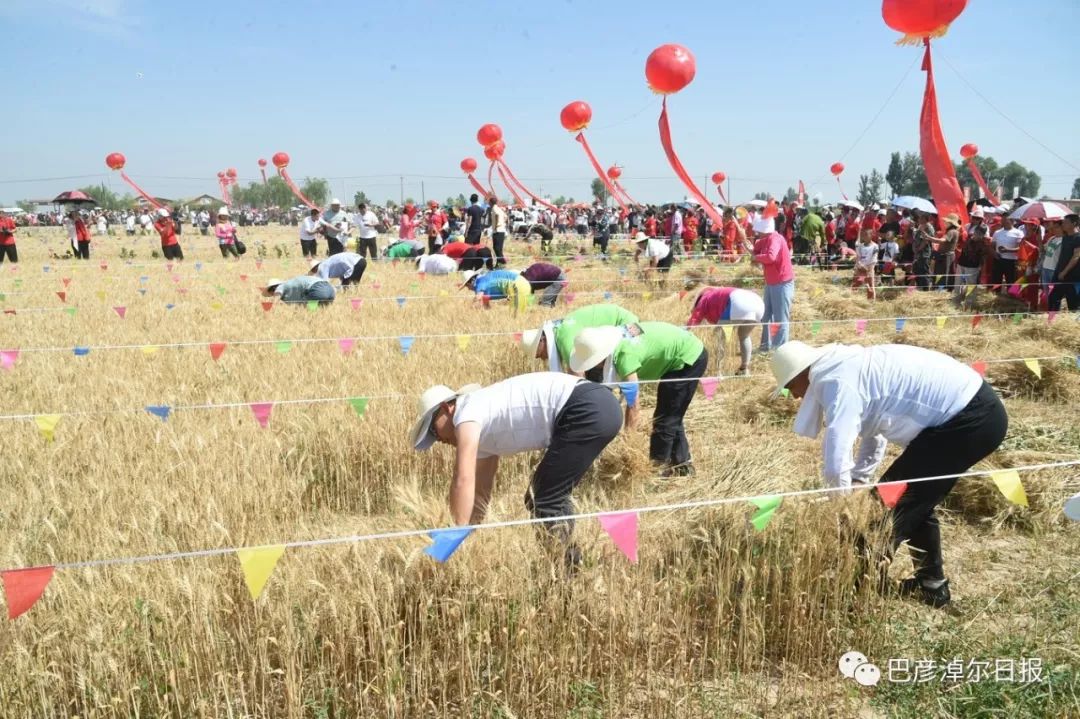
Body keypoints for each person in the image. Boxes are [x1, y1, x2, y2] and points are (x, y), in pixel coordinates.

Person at [770, 341, 1008, 607]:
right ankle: (932, 585)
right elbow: (875, 429)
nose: (794, 397)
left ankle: (852, 591)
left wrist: (844, 506)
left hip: (970, 417)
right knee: (914, 499)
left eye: (790, 387)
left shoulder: (835, 380)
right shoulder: (842, 366)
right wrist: (860, 479)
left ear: (800, 374)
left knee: (888, 504)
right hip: (972, 413)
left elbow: (836, 458)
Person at [409, 372, 623, 563]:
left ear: (447, 407)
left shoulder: (466, 413)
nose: (438, 439)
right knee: (544, 495)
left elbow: (462, 477)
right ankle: (565, 562)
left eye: (434, 430)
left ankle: (563, 566)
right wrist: (466, 540)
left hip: (587, 407)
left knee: (545, 497)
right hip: (592, 406)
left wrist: (453, 536)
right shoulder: (481, 431)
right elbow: (481, 493)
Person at [571, 322, 707, 476]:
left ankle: (658, 471)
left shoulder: (625, 357)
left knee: (665, 419)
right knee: (672, 412)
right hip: (678, 349)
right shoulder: (612, 337)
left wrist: (628, 445)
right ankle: (683, 464)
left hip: (689, 357)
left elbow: (633, 405)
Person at [520, 303, 641, 373]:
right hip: (622, 321)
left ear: (542, 341)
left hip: (626, 325)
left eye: (539, 354)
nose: (542, 359)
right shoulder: (558, 329)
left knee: (613, 369)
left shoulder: (565, 339)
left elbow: (578, 373)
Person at [741, 217, 794, 352]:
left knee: (780, 318)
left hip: (781, 283)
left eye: (759, 230)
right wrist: (748, 246)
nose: (757, 233)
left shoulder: (775, 239)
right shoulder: (765, 240)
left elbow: (771, 257)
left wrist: (755, 257)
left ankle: (779, 350)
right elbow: (755, 249)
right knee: (766, 316)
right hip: (771, 283)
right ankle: (766, 346)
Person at [687, 286, 765, 375]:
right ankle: (744, 369)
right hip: (758, 303)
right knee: (744, 336)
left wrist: (685, 331)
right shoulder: (717, 294)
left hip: (738, 303)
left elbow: (693, 323)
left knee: (719, 337)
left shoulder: (703, 300)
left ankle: (718, 371)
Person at [1048, 213, 1080, 311]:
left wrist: (1064, 272)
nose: (1063, 224)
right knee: (1053, 298)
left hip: (1072, 276)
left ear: (1074, 224)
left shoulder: (1078, 238)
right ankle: (1052, 321)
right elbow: (1052, 228)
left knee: (1073, 303)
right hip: (1059, 273)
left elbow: (1076, 256)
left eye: (1066, 222)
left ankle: (1074, 324)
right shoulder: (1066, 236)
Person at [954, 225, 989, 308]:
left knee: (971, 285)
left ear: (983, 234)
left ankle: (969, 304)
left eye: (981, 233)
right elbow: (960, 246)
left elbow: (983, 257)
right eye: (977, 232)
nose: (978, 234)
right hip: (961, 263)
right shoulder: (968, 238)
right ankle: (956, 301)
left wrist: (981, 267)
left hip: (973, 267)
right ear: (975, 231)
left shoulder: (983, 243)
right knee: (958, 283)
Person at [990, 215, 1023, 290]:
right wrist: (994, 253)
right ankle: (996, 297)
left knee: (1011, 282)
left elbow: (1020, 248)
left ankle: (1010, 298)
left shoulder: (1018, 233)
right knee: (996, 282)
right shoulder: (997, 232)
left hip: (1011, 261)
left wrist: (1008, 250)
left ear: (1012, 221)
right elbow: (992, 246)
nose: (1003, 221)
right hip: (998, 260)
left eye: (1005, 220)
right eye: (1003, 220)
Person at [261, 275, 336, 305]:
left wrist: (266, 315)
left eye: (270, 293)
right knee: (319, 313)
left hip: (317, 289)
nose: (271, 296)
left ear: (273, 289)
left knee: (308, 311)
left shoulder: (280, 287)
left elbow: (274, 304)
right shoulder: (290, 286)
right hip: (330, 290)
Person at [853, 228, 879, 300]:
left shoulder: (875, 246)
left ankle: (871, 302)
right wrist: (859, 265)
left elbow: (874, 258)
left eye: (866, 235)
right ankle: (853, 299)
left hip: (869, 269)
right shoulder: (860, 246)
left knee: (870, 286)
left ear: (871, 235)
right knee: (856, 284)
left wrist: (869, 268)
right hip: (860, 268)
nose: (864, 236)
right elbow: (858, 256)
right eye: (863, 235)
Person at [488, 196, 508, 265]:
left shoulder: (494, 208)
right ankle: (499, 263)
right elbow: (505, 217)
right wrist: (502, 223)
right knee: (498, 248)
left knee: (496, 248)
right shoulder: (499, 209)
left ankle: (503, 262)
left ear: (491, 203)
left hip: (497, 230)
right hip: (501, 230)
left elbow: (496, 215)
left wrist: (496, 225)